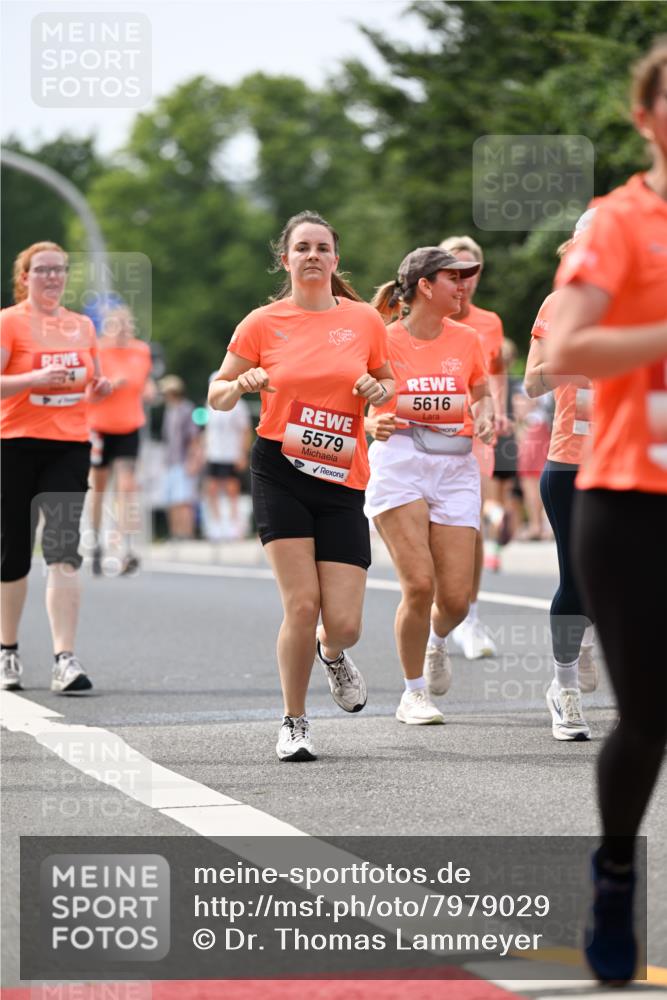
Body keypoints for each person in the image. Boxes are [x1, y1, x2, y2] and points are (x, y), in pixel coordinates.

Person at [550, 40, 667, 986]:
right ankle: (615, 872)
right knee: (648, 717)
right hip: (631, 500)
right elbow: (567, 351)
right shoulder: (619, 221)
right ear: (644, 117)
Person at [208, 210, 394, 761]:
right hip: (280, 470)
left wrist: (378, 390)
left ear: (335, 259)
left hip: (342, 475)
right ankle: (294, 721)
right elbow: (216, 393)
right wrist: (239, 384)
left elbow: (387, 381)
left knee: (345, 624)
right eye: (302, 248)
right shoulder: (262, 322)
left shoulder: (364, 321)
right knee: (302, 603)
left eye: (322, 248)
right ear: (284, 259)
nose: (312, 255)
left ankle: (331, 654)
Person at [365, 247, 494, 724]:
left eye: (465, 278)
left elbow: (480, 390)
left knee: (455, 601)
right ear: (424, 285)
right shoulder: (382, 340)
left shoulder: (467, 339)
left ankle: (437, 640)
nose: (463, 287)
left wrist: (485, 414)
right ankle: (413, 693)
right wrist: (369, 424)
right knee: (419, 584)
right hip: (400, 460)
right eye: (453, 278)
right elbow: (352, 400)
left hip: (455, 465)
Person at [0, 241, 111, 693]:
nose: (51, 277)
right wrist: (33, 379)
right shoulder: (9, 322)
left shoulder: (81, 325)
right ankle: (7, 651)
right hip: (14, 445)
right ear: (25, 277)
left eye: (58, 269)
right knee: (13, 552)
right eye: (42, 269)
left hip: (68, 445)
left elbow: (92, 377)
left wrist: (99, 387)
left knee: (63, 548)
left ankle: (65, 658)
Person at [524, 210, 599, 742]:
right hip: (572, 462)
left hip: (636, 464)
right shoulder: (559, 305)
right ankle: (564, 687)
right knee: (578, 580)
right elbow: (531, 383)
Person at [438, 236, 509, 658]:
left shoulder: (490, 323)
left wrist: (497, 408)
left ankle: (471, 619)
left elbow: (495, 369)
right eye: (454, 271)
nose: (463, 280)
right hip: (429, 434)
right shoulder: (424, 318)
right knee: (436, 528)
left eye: (471, 271)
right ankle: (438, 613)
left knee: (473, 523)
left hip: (475, 434)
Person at [88, 305, 154, 575]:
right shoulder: (98, 351)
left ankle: (127, 548)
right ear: (107, 327)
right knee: (100, 487)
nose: (123, 330)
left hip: (130, 425)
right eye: (117, 325)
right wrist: (110, 385)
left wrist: (150, 389)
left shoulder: (141, 351)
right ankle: (96, 543)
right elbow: (87, 392)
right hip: (100, 427)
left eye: (127, 324)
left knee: (127, 486)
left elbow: (145, 381)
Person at [203, 375, 252, 541]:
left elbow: (245, 431)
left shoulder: (239, 406)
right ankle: (216, 523)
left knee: (232, 488)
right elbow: (208, 430)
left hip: (231, 453)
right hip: (214, 452)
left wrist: (243, 454)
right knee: (212, 488)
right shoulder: (209, 405)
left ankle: (234, 523)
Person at [159, 375, 201, 540]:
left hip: (183, 461)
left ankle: (186, 533)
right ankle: (176, 533)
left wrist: (193, 460)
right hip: (171, 461)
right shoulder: (170, 411)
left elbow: (193, 437)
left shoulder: (186, 409)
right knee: (172, 500)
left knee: (183, 500)